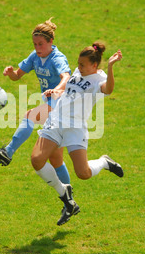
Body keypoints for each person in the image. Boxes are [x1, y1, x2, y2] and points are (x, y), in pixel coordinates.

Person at [30, 42, 124, 225]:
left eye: (82, 65)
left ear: (94, 65)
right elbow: (68, 90)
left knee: (83, 173)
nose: (78, 67)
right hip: (56, 121)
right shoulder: (78, 72)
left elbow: (109, 90)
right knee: (37, 160)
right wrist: (56, 91)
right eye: (78, 64)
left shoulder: (99, 80)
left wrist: (111, 66)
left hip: (75, 128)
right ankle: (65, 196)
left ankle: (104, 162)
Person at [0, 18, 72, 185]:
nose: (37, 48)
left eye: (41, 44)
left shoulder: (57, 58)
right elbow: (17, 75)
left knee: (30, 115)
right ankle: (69, 197)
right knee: (56, 159)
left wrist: (57, 89)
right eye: (35, 44)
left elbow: (66, 77)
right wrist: (10, 72)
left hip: (62, 104)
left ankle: (8, 152)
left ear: (51, 41)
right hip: (52, 105)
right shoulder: (35, 57)